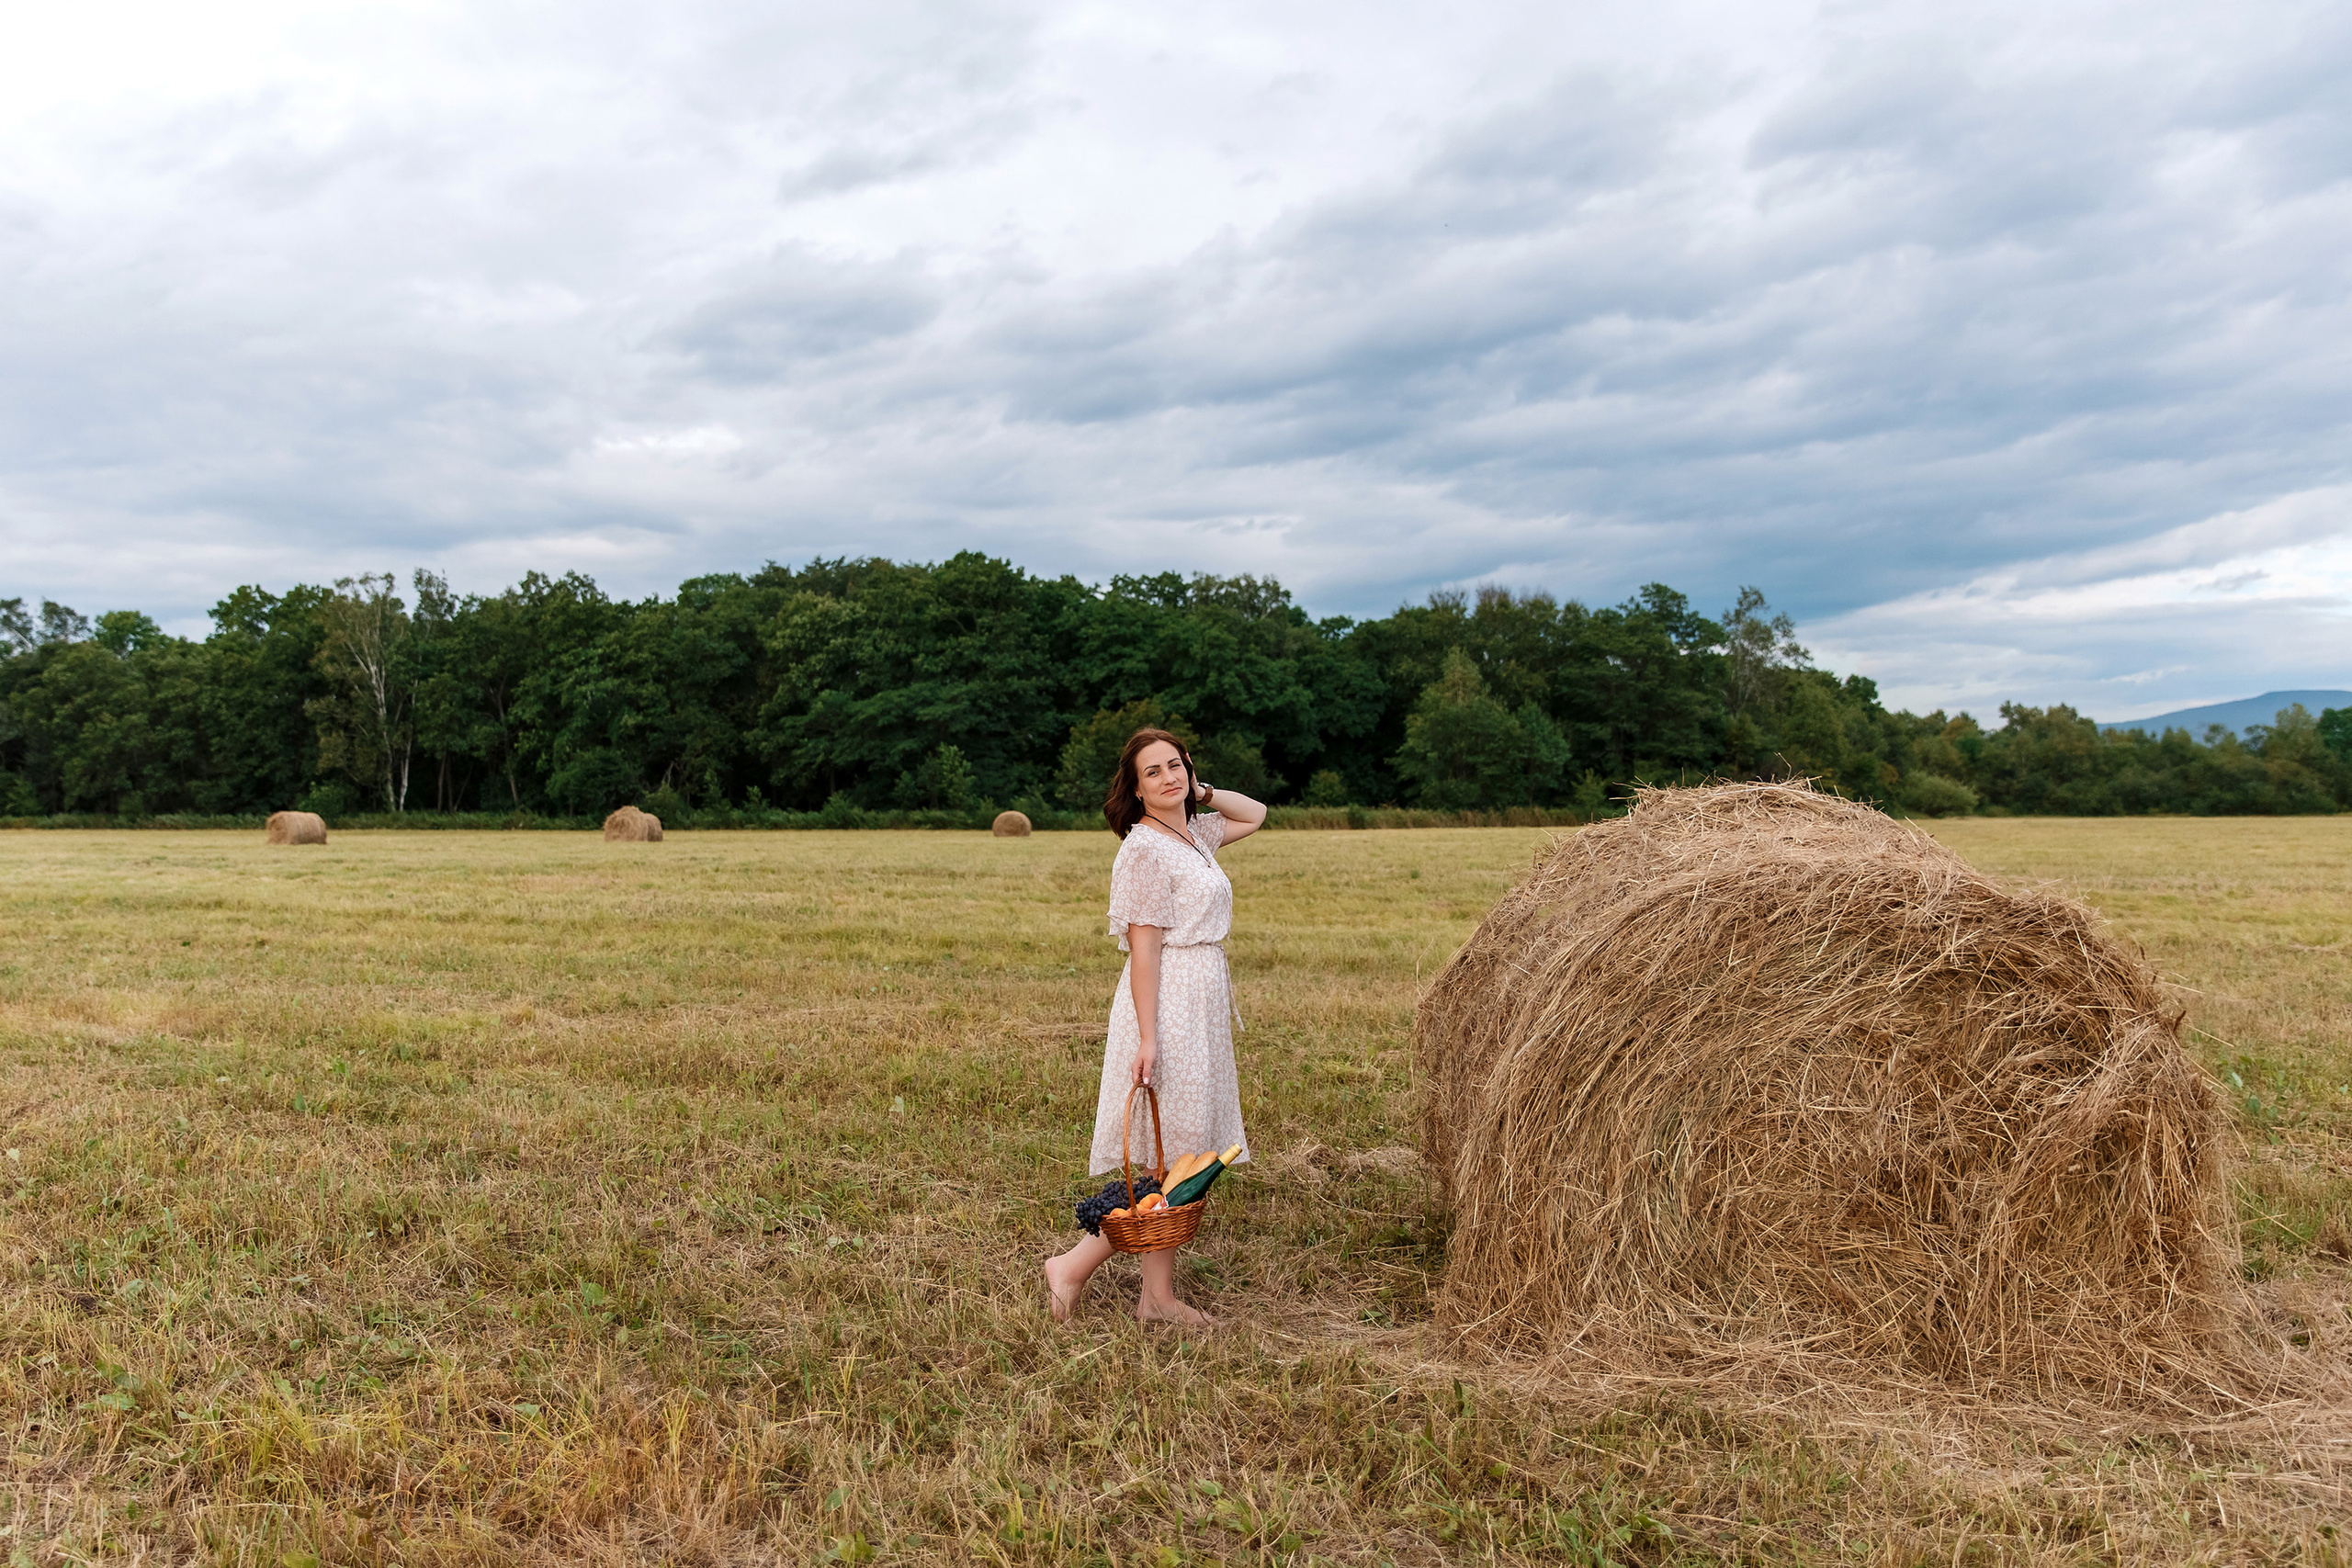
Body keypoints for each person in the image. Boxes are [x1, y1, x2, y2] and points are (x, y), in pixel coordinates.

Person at [1044, 728, 1266, 1326]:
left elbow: (1258, 813)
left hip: (1202, 1002)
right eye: (1154, 771)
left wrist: (1203, 790)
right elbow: (1143, 951)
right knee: (1170, 1162)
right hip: (1167, 1003)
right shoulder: (1144, 849)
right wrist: (1148, 1037)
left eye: (1176, 765)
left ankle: (1156, 1298)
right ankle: (1071, 1267)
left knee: (1181, 1158)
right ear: (1136, 788)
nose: (1168, 777)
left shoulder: (1194, 835)